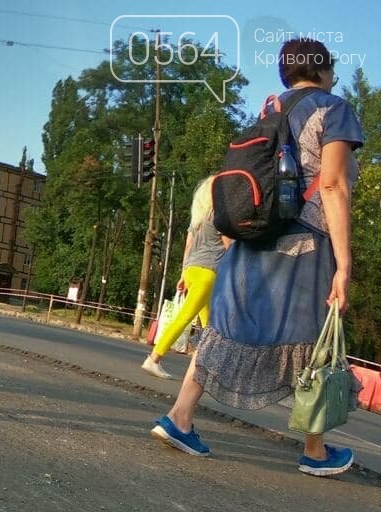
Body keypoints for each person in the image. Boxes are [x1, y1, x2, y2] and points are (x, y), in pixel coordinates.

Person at [151, 38, 362, 477]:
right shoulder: (332, 108)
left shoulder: (269, 109)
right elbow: (332, 185)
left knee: (229, 328)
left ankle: (180, 417)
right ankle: (315, 450)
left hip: (252, 235)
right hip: (304, 242)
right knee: (313, 335)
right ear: (323, 71)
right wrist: (344, 265)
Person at [141, 176, 228, 379]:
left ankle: (210, 366)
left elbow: (188, 246)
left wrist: (183, 273)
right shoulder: (219, 216)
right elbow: (228, 245)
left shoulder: (197, 218)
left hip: (192, 270)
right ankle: (154, 358)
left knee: (208, 324)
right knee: (186, 317)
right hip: (209, 271)